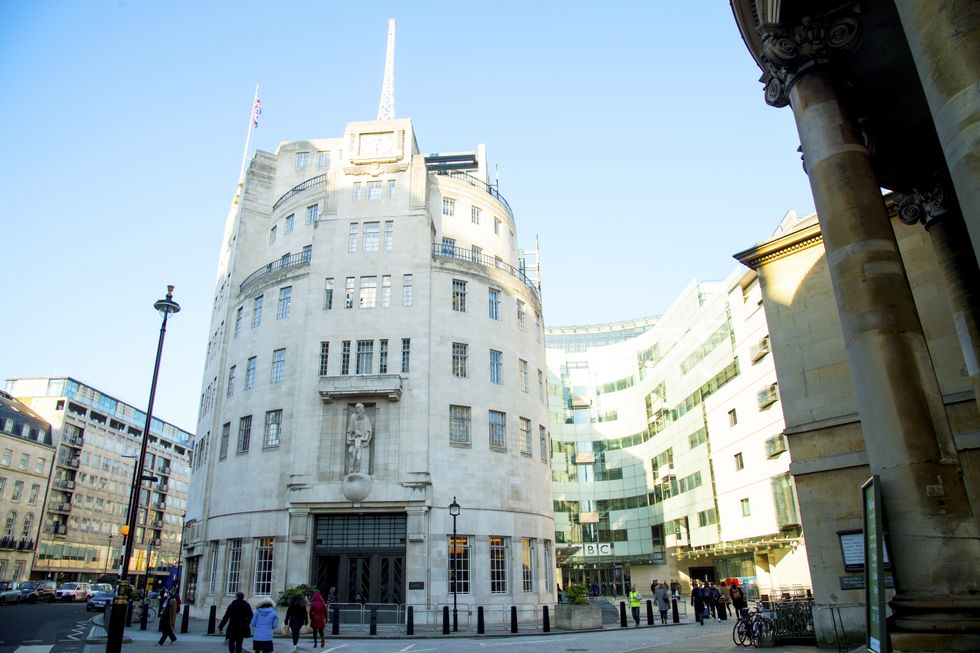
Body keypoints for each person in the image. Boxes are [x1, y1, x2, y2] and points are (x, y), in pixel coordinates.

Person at [346, 403, 373, 473]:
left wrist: (367, 442)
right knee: (351, 452)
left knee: (359, 457)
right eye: (356, 408)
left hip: (363, 443)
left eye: (358, 408)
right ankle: (351, 471)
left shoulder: (366, 418)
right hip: (354, 441)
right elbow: (349, 430)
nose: (357, 410)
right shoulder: (353, 417)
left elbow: (369, 431)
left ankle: (359, 471)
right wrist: (349, 439)